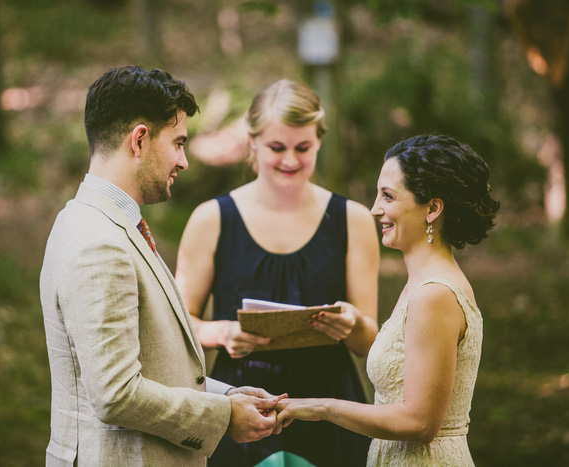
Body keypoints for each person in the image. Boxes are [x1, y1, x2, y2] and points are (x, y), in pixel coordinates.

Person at [39, 66, 285, 467]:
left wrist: (226, 396)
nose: (184, 161)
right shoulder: (100, 244)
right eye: (178, 143)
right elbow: (116, 394)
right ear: (139, 140)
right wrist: (223, 418)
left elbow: (153, 365)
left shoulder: (93, 219)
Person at [175, 79, 380, 467]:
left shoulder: (352, 219)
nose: (290, 160)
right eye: (276, 147)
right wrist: (222, 332)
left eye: (303, 148)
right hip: (243, 405)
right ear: (252, 143)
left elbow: (372, 345)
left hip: (331, 405)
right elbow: (177, 325)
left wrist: (352, 324)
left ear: (319, 141)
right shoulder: (212, 219)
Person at [274, 134, 501, 465]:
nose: (374, 209)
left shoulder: (434, 294)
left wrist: (321, 407)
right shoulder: (420, 284)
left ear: (433, 208)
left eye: (389, 196)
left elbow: (419, 422)